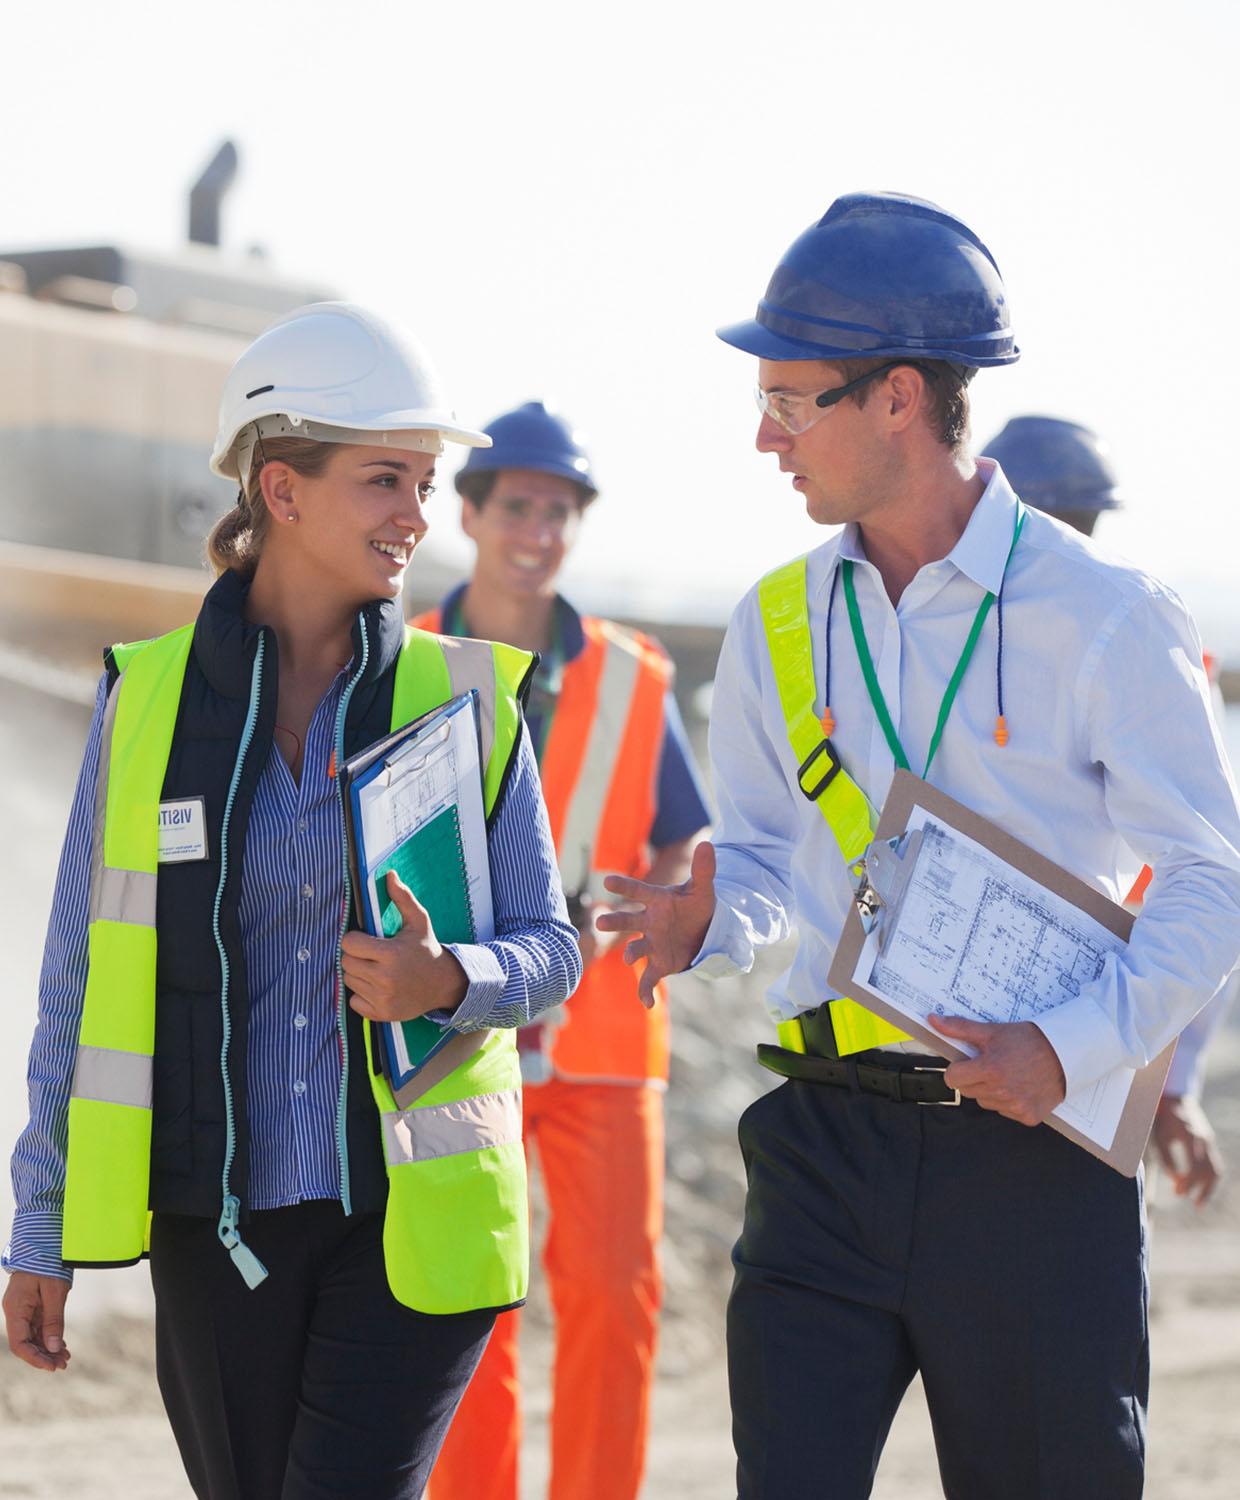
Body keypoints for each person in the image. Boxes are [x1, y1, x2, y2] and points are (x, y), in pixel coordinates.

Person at [598, 192, 1240, 1498]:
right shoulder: (778, 619)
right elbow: (773, 871)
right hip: (822, 1143)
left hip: (1030, 1157)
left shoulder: (1106, 618)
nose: (762, 435)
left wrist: (1072, 1051)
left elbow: (1215, 881)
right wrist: (706, 920)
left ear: (897, 398)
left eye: (790, 400)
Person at [2, 303, 582, 1500]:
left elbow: (551, 948)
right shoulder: (148, 703)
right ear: (281, 489)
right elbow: (79, 982)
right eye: (385, 480)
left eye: (423, 483)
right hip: (219, 1226)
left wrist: (452, 982)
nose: (417, 516)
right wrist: (42, 1225)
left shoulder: (462, 698)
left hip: (410, 1227)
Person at [420, 402, 711, 1500]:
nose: (538, 531)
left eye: (559, 512)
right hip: (449, 1024)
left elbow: (683, 831)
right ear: (472, 514)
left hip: (597, 1034)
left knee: (612, 1296)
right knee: (467, 1301)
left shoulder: (637, 678)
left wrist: (666, 903)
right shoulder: (404, 657)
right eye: (519, 508)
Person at [982, 414, 1234, 1205]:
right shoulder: (955, 653)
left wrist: (1167, 1081)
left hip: (1090, 1050)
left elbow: (1199, 888)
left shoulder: (1145, 656)